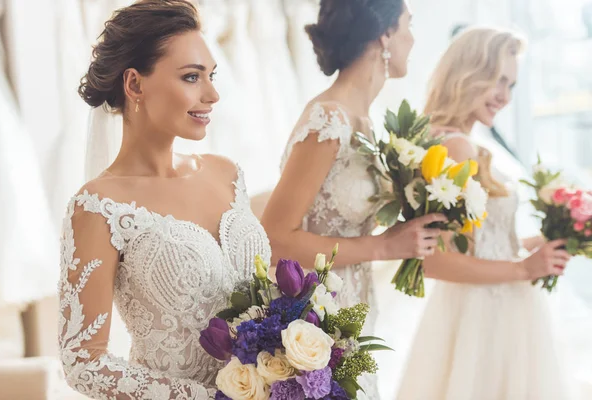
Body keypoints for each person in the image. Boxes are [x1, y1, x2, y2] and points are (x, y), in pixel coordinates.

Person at [57, 1, 271, 398]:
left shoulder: (227, 173)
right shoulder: (98, 206)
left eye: (211, 75)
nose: (212, 94)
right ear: (135, 84)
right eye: (192, 77)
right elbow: (82, 361)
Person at [261, 1, 445, 398]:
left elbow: (342, 218)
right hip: (314, 315)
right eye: (408, 25)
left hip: (355, 309)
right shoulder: (329, 120)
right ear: (385, 34)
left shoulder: (364, 120)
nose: (413, 39)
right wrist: (384, 245)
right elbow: (275, 237)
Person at [396, 27, 574, 399]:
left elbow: (480, 245)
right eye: (500, 81)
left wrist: (552, 238)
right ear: (470, 73)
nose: (506, 97)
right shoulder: (455, 147)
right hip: (483, 314)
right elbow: (434, 260)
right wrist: (524, 268)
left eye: (512, 85)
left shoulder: (457, 140)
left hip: (494, 306)